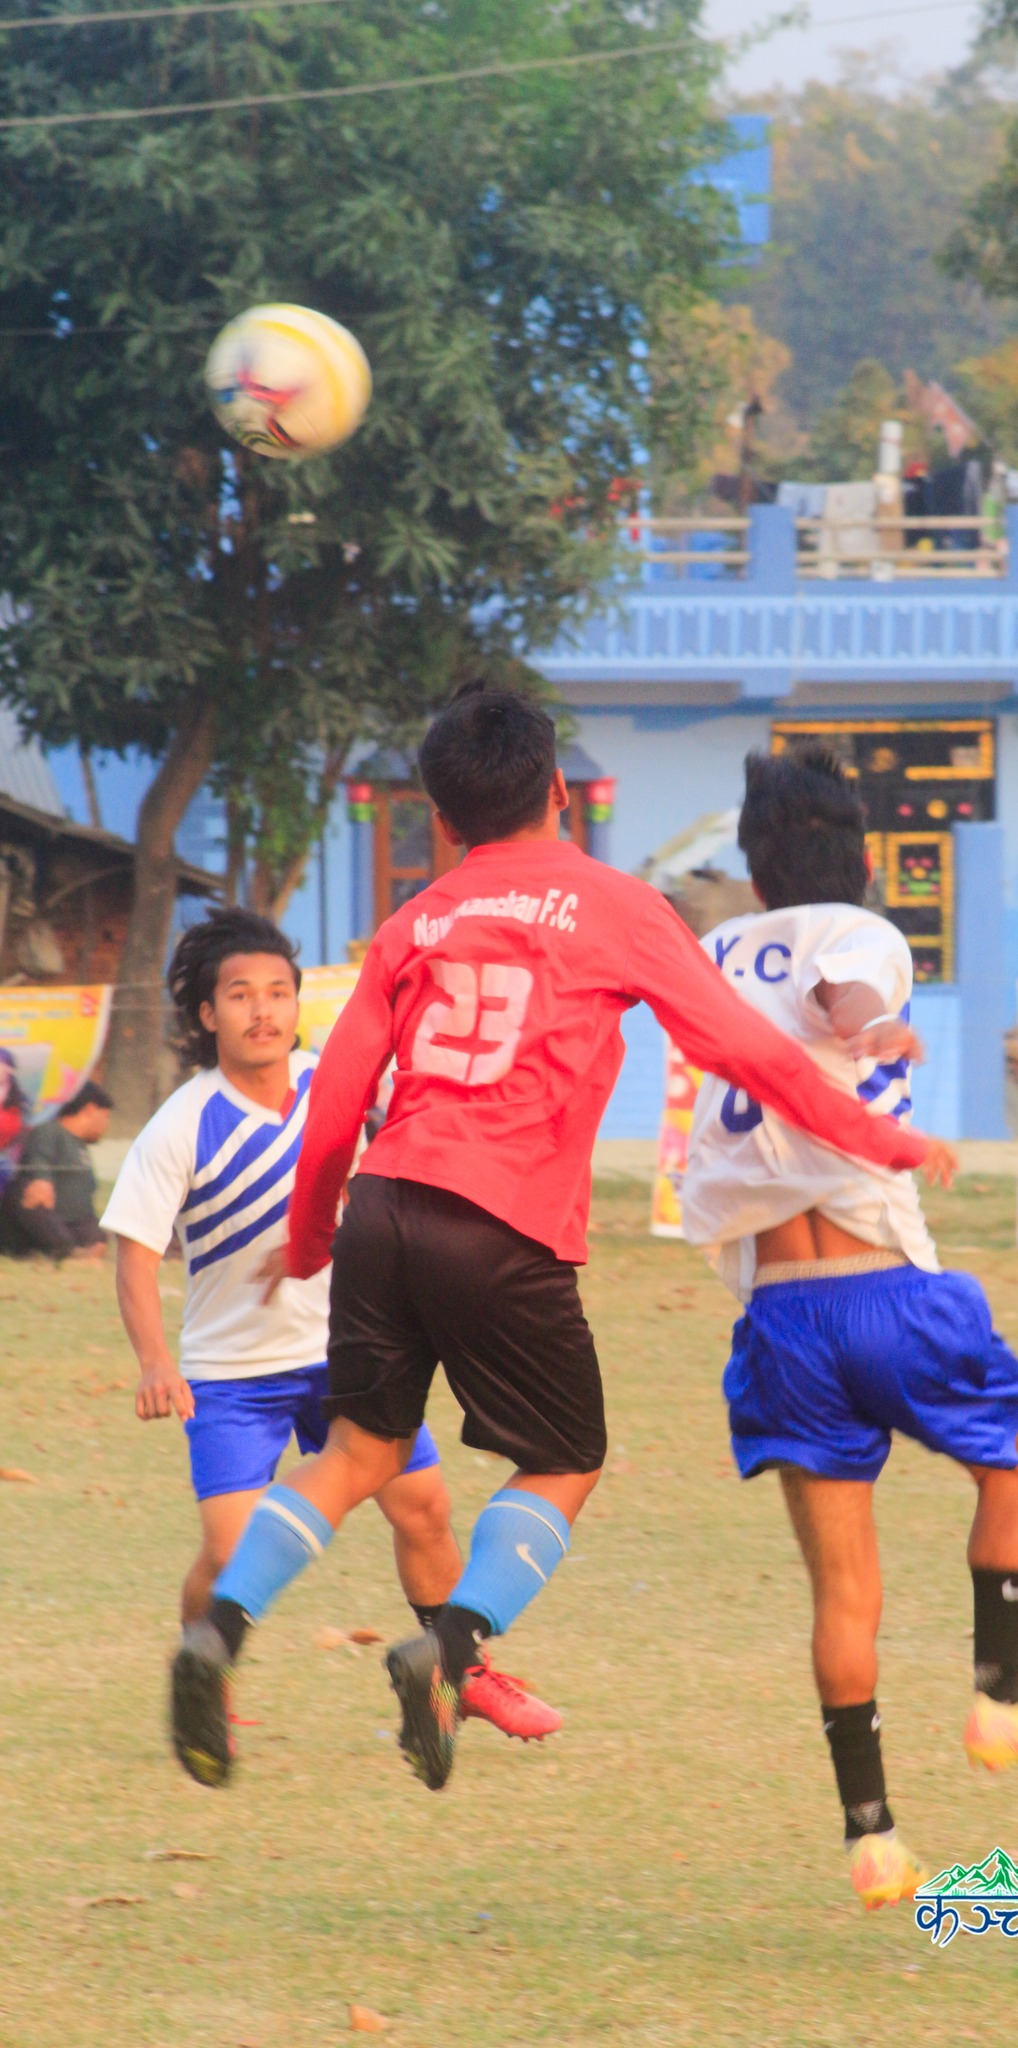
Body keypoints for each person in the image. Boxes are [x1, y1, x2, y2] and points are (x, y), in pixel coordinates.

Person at [170, 685, 951, 1793]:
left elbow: (339, 1093)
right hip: (504, 1222)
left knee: (356, 1451)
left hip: (386, 1206)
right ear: (559, 792)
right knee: (564, 1460)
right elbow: (749, 1055)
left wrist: (310, 1239)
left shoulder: (414, 920)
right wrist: (881, 1133)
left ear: (442, 821)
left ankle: (223, 1623)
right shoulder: (616, 906)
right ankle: (448, 1644)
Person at [681, 746, 1018, 1914]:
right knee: (1017, 1463)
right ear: (858, 856)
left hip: (777, 1316)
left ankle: (872, 1836)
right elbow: (839, 994)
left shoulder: (714, 950)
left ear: (753, 866)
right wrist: (878, 1029)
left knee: (842, 1590)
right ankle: (999, 1699)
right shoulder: (861, 935)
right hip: (885, 1287)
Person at [101, 907, 559, 1776]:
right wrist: (157, 1361)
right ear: (207, 1015)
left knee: (425, 1509)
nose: (262, 1011)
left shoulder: (336, 1091)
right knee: (232, 1553)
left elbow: (411, 1174)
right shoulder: (180, 1125)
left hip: (350, 1353)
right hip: (233, 1377)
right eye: (239, 995)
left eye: (277, 992)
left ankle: (456, 1675)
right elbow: (133, 1255)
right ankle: (203, 1670)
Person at [0, 1080, 113, 1261]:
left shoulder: (79, 1145)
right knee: (27, 1192)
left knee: (94, 1230)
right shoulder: (49, 1131)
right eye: (106, 1116)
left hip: (70, 1224)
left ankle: (76, 1250)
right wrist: (41, 1179)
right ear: (90, 1110)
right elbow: (37, 1157)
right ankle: (64, 1250)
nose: (106, 1124)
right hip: (39, 1224)